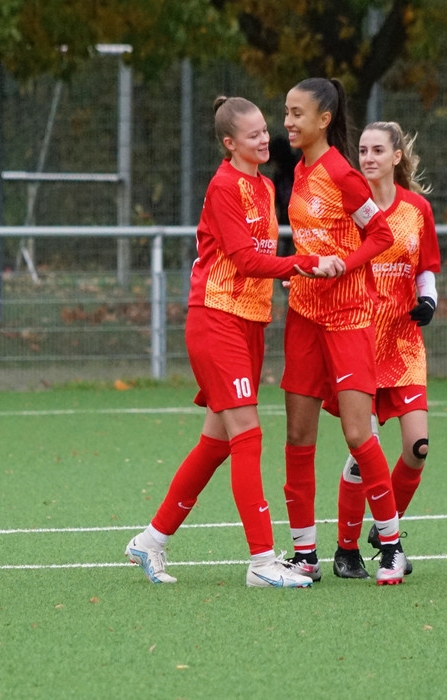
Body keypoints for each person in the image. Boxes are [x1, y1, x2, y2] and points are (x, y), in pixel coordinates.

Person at [125, 96, 339, 588]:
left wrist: (298, 267)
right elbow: (244, 259)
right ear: (229, 143)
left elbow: (260, 260)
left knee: (216, 443)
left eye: (265, 130)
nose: (265, 139)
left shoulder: (264, 185)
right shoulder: (224, 186)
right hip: (216, 318)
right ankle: (261, 562)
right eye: (253, 134)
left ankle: (150, 541)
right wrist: (303, 264)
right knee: (247, 435)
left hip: (249, 322)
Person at [277, 77, 409, 586]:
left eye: (297, 113)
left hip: (349, 316)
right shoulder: (299, 169)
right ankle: (305, 554)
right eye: (286, 112)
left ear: (324, 119)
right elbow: (311, 238)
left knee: (358, 434)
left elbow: (381, 234)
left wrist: (343, 267)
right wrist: (300, 267)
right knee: (297, 436)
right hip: (303, 317)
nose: (288, 122)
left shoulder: (341, 172)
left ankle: (391, 547)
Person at [328, 122, 441, 579]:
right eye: (362, 150)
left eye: (378, 150)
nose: (368, 158)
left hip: (404, 344)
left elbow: (425, 267)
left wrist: (429, 300)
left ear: (397, 157)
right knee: (363, 452)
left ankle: (385, 523)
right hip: (359, 340)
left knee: (418, 447)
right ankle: (345, 550)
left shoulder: (416, 209)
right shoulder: (350, 209)